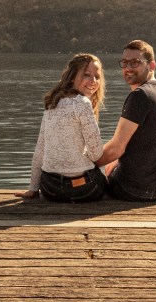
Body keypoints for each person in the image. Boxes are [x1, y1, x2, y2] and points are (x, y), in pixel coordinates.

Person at [15, 53, 108, 202]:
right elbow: (96, 154)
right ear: (72, 77)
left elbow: (40, 149)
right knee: (108, 167)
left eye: (97, 76)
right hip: (82, 190)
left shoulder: (52, 103)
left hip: (50, 189)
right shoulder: (82, 103)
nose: (93, 81)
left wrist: (33, 189)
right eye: (87, 75)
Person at [96, 40, 156, 201]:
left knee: (87, 180)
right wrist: (117, 161)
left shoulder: (140, 96)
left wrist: (85, 165)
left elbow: (116, 148)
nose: (128, 68)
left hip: (137, 190)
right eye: (125, 62)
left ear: (152, 65)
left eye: (135, 63)